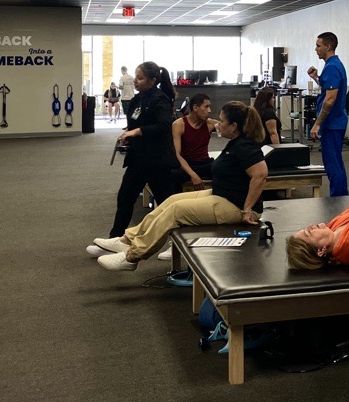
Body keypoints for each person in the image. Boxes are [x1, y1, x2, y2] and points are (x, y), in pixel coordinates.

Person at [88, 101, 268, 270]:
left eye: (222, 121)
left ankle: (132, 257)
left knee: (177, 211)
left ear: (234, 127)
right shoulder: (235, 143)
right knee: (171, 200)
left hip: (235, 206)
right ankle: (126, 239)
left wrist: (247, 210)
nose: (218, 124)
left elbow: (260, 175)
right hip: (222, 196)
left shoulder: (245, 147)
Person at [106, 63, 176, 238]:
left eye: (140, 78)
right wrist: (129, 135)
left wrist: (138, 131)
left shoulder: (161, 99)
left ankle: (175, 243)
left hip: (157, 161)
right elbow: (135, 123)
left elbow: (164, 126)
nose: (135, 81)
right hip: (138, 159)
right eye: (136, 77)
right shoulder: (137, 100)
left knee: (166, 204)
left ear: (152, 81)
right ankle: (115, 239)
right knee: (125, 198)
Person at [155, 93, 219, 262]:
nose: (209, 110)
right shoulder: (179, 124)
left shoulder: (211, 124)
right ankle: (174, 234)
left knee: (223, 170)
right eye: (206, 107)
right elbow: (177, 154)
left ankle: (218, 212)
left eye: (209, 107)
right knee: (173, 176)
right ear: (195, 108)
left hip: (204, 162)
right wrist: (193, 175)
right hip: (185, 163)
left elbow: (234, 129)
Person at [307, 32, 348, 196]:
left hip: (332, 124)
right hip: (334, 123)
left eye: (318, 45)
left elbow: (330, 99)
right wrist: (316, 78)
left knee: (333, 163)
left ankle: (339, 198)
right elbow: (327, 90)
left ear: (328, 46)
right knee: (334, 162)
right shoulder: (332, 65)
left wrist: (317, 123)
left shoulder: (332, 66)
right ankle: (341, 196)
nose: (316, 49)